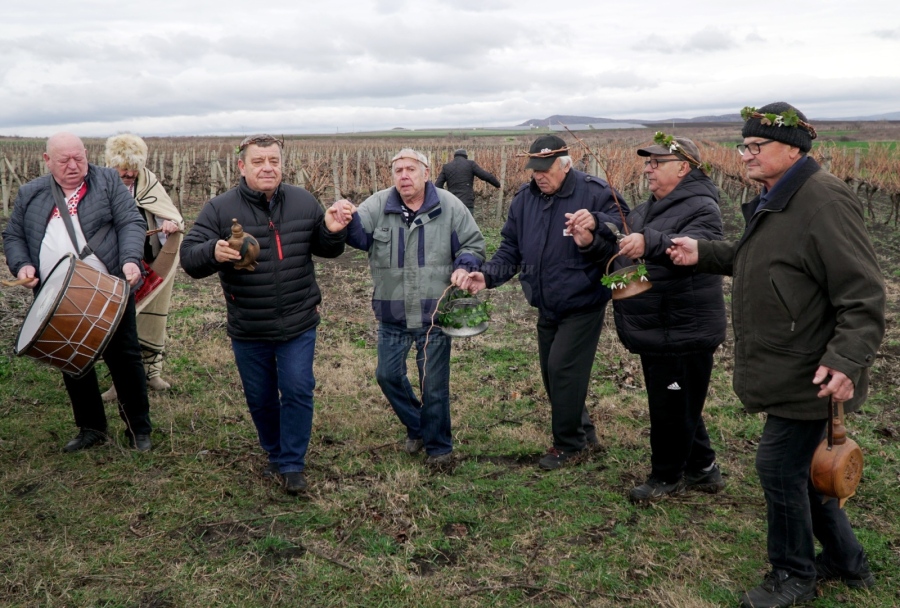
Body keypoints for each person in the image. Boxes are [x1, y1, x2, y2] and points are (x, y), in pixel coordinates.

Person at [667, 102, 885, 608]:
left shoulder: (823, 202)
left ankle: (792, 574)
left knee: (777, 466)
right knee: (804, 468)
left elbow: (864, 294)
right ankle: (847, 561)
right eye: (744, 146)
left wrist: (848, 359)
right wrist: (703, 253)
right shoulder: (779, 197)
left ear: (793, 149)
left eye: (755, 147)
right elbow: (763, 260)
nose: (744, 155)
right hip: (790, 363)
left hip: (813, 368)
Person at [180, 134, 350, 495]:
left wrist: (333, 231)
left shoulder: (303, 201)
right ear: (242, 166)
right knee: (260, 397)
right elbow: (189, 259)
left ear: (282, 164)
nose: (267, 167)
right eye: (258, 161)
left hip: (298, 320)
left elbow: (324, 247)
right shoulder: (219, 209)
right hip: (249, 325)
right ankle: (274, 450)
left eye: (273, 160)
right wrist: (214, 250)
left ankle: (291, 463)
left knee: (298, 389)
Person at [455, 134, 627, 470]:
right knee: (554, 374)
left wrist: (596, 227)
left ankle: (569, 445)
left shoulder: (595, 192)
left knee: (562, 369)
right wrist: (486, 276)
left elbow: (624, 230)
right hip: (545, 301)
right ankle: (584, 432)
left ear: (566, 165)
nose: (539, 176)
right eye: (535, 169)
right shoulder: (524, 200)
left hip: (583, 300)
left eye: (546, 169)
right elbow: (510, 249)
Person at [3, 132, 153, 452]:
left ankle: (138, 428)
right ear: (47, 161)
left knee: (125, 359)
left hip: (108, 287)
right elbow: (14, 235)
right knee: (71, 360)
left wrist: (129, 260)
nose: (73, 166)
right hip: (55, 296)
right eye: (64, 160)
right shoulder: (31, 193)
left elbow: (130, 222)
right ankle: (91, 428)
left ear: (87, 154)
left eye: (79, 158)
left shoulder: (108, 181)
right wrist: (23, 266)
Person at [339, 148, 485, 468]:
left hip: (434, 312)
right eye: (398, 170)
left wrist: (465, 265)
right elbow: (359, 237)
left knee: (433, 384)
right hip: (392, 311)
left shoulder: (449, 206)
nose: (403, 175)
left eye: (410, 169)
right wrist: (344, 221)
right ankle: (418, 426)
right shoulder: (378, 204)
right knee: (387, 375)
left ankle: (439, 449)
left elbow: (473, 244)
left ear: (426, 173)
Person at [609, 137, 727, 501]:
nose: (648, 168)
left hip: (683, 326)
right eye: (648, 162)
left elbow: (697, 250)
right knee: (679, 400)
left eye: (657, 162)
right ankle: (703, 468)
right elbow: (635, 249)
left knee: (670, 405)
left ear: (683, 167)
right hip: (658, 322)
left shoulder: (703, 208)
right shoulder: (650, 208)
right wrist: (593, 239)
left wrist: (652, 243)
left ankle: (666, 476)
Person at [103, 133, 184, 399]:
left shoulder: (149, 183)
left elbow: (168, 216)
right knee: (119, 324)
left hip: (148, 262)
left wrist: (169, 227)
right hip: (113, 265)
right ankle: (120, 380)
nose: (128, 173)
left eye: (132, 168)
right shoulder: (101, 185)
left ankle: (152, 372)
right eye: (123, 168)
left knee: (152, 318)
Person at [433, 148, 500, 215]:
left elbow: (437, 185)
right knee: (468, 224)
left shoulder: (447, 167)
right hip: (467, 202)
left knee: (453, 225)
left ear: (455, 156)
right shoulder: (470, 164)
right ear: (466, 156)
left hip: (452, 202)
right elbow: (485, 175)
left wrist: (446, 197)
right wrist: (497, 184)